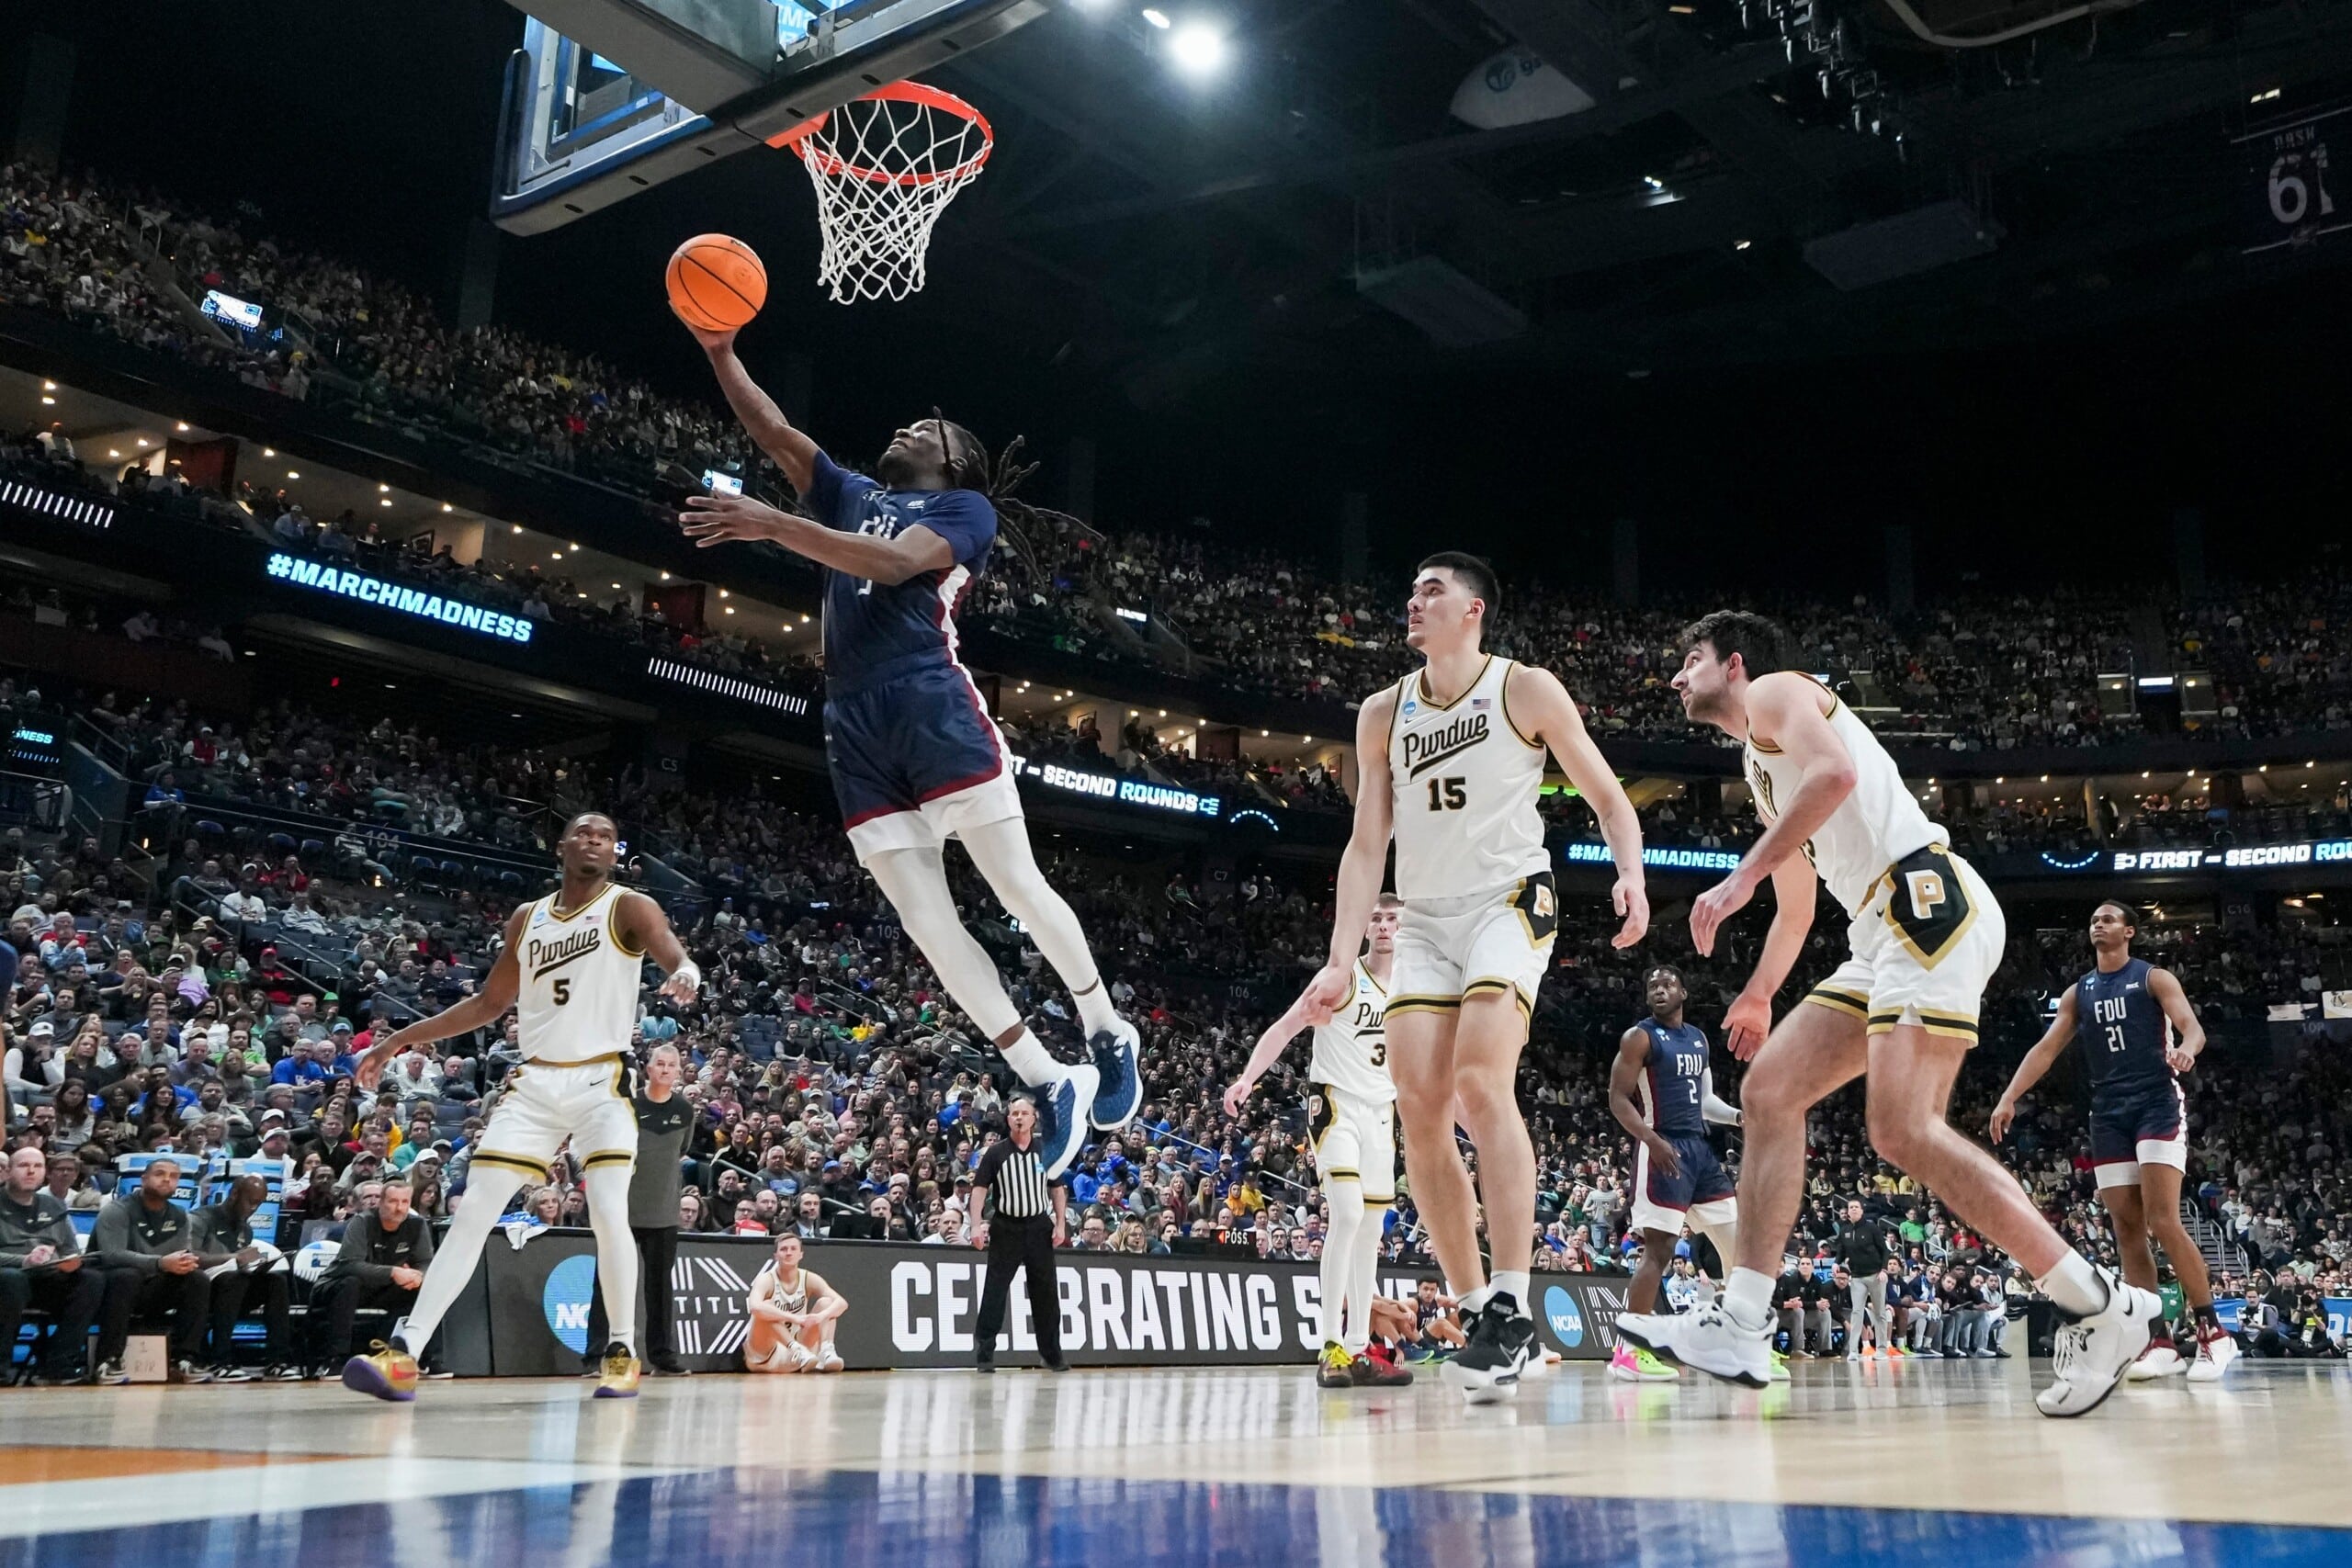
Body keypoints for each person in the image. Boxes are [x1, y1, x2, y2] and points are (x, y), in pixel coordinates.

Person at [1618, 611, 2157, 1418]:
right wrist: (1762, 989)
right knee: (1769, 1091)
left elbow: (1834, 774)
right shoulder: (1760, 765)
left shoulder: (1777, 690)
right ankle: (1741, 1321)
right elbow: (1796, 905)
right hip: (1879, 930)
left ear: (1733, 666)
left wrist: (1735, 880)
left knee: (1900, 1129)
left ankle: (2097, 1301)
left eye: (1688, 660)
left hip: (1924, 899)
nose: (1675, 676)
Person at [677, 319, 1140, 1178]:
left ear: (955, 460)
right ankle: (1048, 1077)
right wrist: (720, 353)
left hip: (931, 700)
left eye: (924, 430)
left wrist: (772, 525)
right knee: (928, 925)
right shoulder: (848, 493)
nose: (904, 430)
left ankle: (1106, 1027)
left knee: (1015, 887)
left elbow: (895, 567)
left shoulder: (967, 509)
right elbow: (776, 432)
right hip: (853, 720)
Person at [1306, 552, 1647, 1403]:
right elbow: (1363, 845)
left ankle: (1514, 1292)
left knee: (1477, 1084)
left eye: (1433, 590)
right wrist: (1342, 953)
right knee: (1418, 1108)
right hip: (1421, 916)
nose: (1414, 601)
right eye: (1411, 588)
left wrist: (1630, 873)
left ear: (1475, 610)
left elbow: (1608, 795)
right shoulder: (1382, 712)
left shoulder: (1524, 687)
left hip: (1506, 899)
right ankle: (1482, 1311)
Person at [341, 813, 698, 1402]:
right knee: (475, 1208)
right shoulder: (526, 919)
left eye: (606, 836)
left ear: (615, 854)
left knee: (610, 1210)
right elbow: (487, 1003)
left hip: (601, 1080)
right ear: (561, 847)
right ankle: (405, 1354)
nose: (595, 840)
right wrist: (399, 1038)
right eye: (584, 832)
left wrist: (685, 970)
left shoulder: (628, 906)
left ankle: (622, 1350)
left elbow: (671, 952)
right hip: (533, 1082)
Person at [1991, 900, 2235, 1384]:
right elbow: (2046, 1048)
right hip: (2107, 1111)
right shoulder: (2078, 992)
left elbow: (2192, 1027)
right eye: (2093, 920)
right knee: (2126, 1228)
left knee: (2163, 1219)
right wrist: (2009, 1096)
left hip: (2156, 1102)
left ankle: (2213, 1333)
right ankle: (2158, 1341)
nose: (2097, 925)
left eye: (2107, 919)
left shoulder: (2154, 978)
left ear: (2130, 931)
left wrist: (2186, 1050)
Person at [1224, 898, 1412, 1389]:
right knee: (1347, 1213)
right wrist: (1246, 1080)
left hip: (1382, 1110)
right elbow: (1287, 1026)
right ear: (1364, 926)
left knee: (1372, 1228)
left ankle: (1357, 1345)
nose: (1386, 927)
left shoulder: (1416, 988)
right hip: (1335, 1103)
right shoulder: (1341, 978)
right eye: (1376, 918)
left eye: (1393, 919)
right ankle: (1328, 1342)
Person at [1605, 965, 1744, 1383]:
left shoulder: (1698, 1039)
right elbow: (1616, 1098)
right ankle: (1629, 1352)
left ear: (1683, 991)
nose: (1659, 990)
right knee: (1660, 1251)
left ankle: (1738, 1345)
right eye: (1652, 986)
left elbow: (1704, 1102)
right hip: (1662, 1147)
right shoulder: (1639, 1037)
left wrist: (1739, 1117)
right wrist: (1651, 1139)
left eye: (1667, 985)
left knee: (1740, 1247)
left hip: (1699, 1151)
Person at [585, 1042, 694, 1374]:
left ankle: (662, 1356)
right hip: (621, 1212)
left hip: (663, 1214)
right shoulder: (627, 1106)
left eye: (670, 1065)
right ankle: (595, 1357)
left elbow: (681, 1150)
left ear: (678, 1072)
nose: (664, 1069)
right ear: (647, 1068)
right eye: (659, 1063)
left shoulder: (685, 1111)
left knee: (660, 1288)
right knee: (606, 1283)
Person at [88, 1156, 212, 1382]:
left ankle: (185, 1359)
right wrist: (160, 1263)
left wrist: (184, 1263)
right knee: (127, 1275)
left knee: (197, 1279)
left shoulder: (180, 1216)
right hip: (109, 1289)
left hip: (153, 1287)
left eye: (174, 1176)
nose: (167, 1180)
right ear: (144, 1179)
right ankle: (107, 1360)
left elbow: (180, 1255)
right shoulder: (117, 1210)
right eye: (160, 1174)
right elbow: (111, 1255)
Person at [970, 1095, 1069, 1373]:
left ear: (1033, 1118)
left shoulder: (1046, 1149)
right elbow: (979, 1190)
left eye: (1024, 1113)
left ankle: (1052, 1354)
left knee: (1046, 1294)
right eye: (1014, 1113)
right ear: (1008, 1118)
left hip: (1039, 1226)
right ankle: (985, 1353)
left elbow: (1057, 1188)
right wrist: (976, 1225)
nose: (1019, 1118)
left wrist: (1060, 1224)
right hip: (1006, 1226)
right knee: (995, 1290)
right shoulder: (996, 1153)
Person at [306, 1176, 431, 1379]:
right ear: (380, 1202)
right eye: (393, 1201)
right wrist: (393, 1271)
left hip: (380, 1289)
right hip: (335, 1285)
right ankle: (336, 1360)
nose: (399, 1208)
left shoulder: (417, 1224)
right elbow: (351, 1264)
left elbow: (425, 1260)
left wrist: (418, 1276)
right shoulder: (361, 1222)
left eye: (405, 1202)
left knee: (422, 1289)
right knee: (350, 1284)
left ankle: (419, 1357)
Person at [0, 1144, 103, 1385]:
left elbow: (70, 1250)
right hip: (10, 1278)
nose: (30, 1171)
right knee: (11, 1279)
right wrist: (24, 1260)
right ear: (8, 1171)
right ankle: (1, 1367)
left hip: (48, 1276)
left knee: (92, 1279)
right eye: (23, 1165)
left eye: (37, 1166)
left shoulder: (54, 1206)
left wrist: (68, 1262)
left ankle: (59, 1363)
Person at [192, 1173, 295, 1380]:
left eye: (260, 1204)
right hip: (199, 1290)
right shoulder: (200, 1218)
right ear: (234, 1194)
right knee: (234, 1280)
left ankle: (278, 1360)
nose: (254, 1209)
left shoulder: (245, 1229)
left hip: (233, 1290)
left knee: (276, 1281)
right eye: (251, 1202)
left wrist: (255, 1266)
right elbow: (190, 1256)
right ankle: (219, 1361)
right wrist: (234, 1257)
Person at [743, 1233, 846, 1373]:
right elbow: (755, 1307)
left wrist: (820, 1317)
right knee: (766, 1307)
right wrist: (794, 1318)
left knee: (827, 1303)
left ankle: (826, 1351)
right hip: (765, 1354)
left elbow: (842, 1303)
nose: (789, 1253)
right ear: (776, 1255)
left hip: (802, 1353)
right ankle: (795, 1348)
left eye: (793, 1249)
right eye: (784, 1249)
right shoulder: (766, 1279)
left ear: (801, 1254)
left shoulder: (808, 1277)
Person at [1828, 1200, 1897, 1359]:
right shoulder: (1844, 1230)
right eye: (1850, 1207)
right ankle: (1853, 1351)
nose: (1852, 1209)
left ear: (1861, 1211)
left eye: (1855, 1207)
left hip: (1876, 1275)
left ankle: (1881, 1349)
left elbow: (1884, 1250)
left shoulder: (1872, 1227)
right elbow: (1841, 1251)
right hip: (1857, 1277)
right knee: (1856, 1312)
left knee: (1880, 1312)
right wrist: (1835, 1263)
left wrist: (1884, 1270)